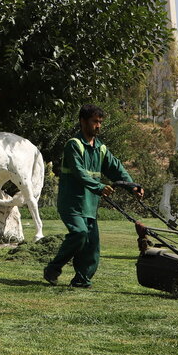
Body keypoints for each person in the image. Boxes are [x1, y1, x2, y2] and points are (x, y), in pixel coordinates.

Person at [43, 103, 144, 288]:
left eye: (100, 122)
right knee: (80, 233)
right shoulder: (73, 145)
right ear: (83, 122)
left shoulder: (100, 148)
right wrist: (99, 187)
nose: (98, 125)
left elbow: (117, 169)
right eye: (94, 122)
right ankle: (53, 269)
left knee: (92, 246)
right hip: (72, 203)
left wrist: (133, 186)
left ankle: (81, 280)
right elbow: (79, 173)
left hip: (90, 206)